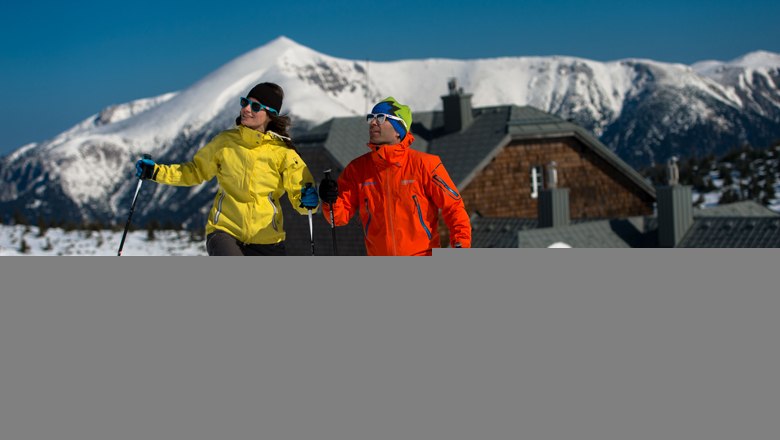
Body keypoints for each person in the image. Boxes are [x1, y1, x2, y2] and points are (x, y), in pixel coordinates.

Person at [134, 82, 319, 255]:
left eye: (255, 106)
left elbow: (302, 194)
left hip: (268, 240)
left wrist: (307, 200)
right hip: (225, 232)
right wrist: (155, 172)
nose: (246, 109)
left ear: (270, 114)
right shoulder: (225, 142)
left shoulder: (283, 152)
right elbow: (194, 171)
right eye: (245, 102)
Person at [318, 97, 471, 256]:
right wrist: (330, 200)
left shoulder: (425, 165)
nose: (373, 123)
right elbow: (337, 217)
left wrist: (461, 245)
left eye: (381, 118)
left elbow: (454, 207)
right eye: (371, 118)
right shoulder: (357, 169)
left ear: (399, 130)